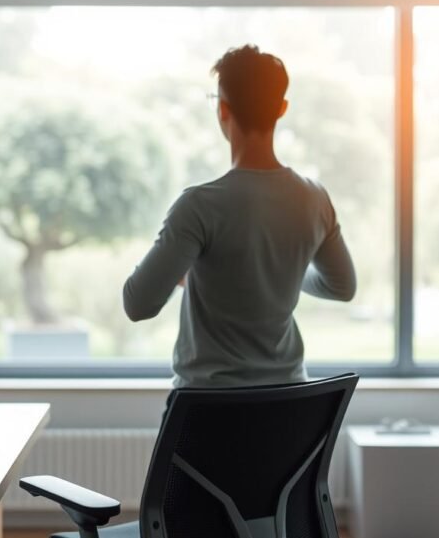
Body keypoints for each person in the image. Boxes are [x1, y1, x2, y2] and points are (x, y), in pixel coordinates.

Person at [122, 44, 356, 388]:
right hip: (288, 413)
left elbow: (137, 304)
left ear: (223, 110)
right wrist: (280, 271)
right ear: (281, 109)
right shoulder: (314, 199)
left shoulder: (199, 206)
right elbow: (342, 287)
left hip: (208, 415)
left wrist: (187, 271)